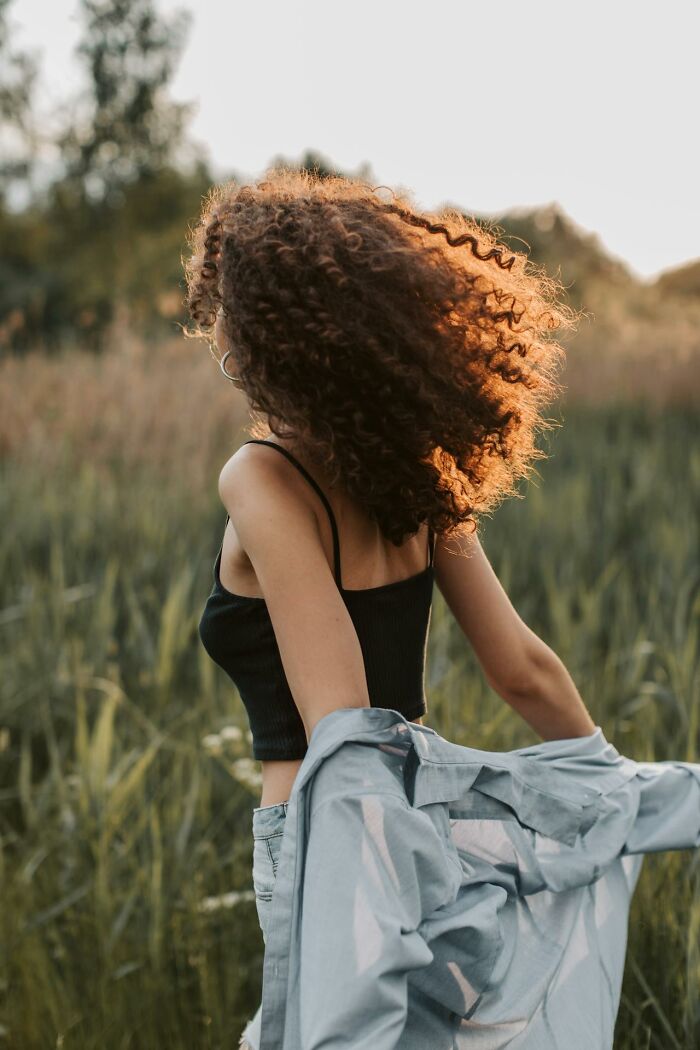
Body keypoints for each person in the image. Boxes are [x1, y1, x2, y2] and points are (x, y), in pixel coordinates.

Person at [184, 167, 616, 1045]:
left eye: (226, 321)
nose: (218, 337)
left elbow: (341, 726)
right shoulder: (413, 468)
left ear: (275, 339)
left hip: (329, 844)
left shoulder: (262, 478)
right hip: (422, 830)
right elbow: (522, 669)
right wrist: (610, 784)